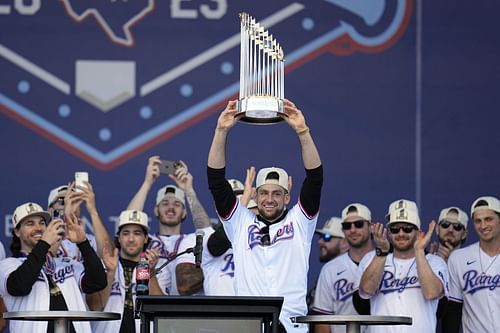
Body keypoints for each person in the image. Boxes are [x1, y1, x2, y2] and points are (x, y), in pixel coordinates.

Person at [207, 99, 323, 333]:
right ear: (255, 196)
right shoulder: (240, 223)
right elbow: (216, 182)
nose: (270, 199)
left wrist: (302, 132)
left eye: (277, 194)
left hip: (291, 325)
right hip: (250, 323)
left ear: (287, 197)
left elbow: (315, 178)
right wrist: (221, 132)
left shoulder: (300, 222)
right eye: (264, 193)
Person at [0, 202, 106, 333]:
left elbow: (97, 282)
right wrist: (44, 243)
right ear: (17, 231)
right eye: (30, 224)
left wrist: (83, 243)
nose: (38, 228)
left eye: (42, 223)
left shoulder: (65, 262)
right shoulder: (9, 265)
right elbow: (20, 286)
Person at [358, 200, 448, 333]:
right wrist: (382, 252)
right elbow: (366, 292)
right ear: (389, 233)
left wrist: (419, 251)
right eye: (395, 229)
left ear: (418, 232)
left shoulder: (435, 261)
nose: (401, 234)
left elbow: (432, 293)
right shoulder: (372, 259)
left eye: (407, 228)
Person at [128, 157, 209, 295]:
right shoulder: (146, 241)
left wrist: (188, 190)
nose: (171, 208)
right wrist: (148, 183)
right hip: (151, 310)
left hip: (188, 313)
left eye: (177, 204)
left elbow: (208, 232)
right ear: (155, 210)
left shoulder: (192, 240)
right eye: (165, 203)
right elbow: (129, 221)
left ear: (184, 213)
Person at [87, 210, 165, 333]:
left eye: (137, 233)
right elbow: (95, 306)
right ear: (119, 238)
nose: (131, 239)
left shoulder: (158, 268)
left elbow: (161, 309)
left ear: (145, 239)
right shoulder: (103, 265)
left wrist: (151, 272)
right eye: (126, 233)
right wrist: (110, 273)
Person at [312, 203, 373, 333]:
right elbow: (322, 319)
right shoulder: (330, 269)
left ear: (371, 227)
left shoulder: (386, 262)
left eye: (359, 224)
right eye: (347, 226)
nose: (353, 230)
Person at [444, 196, 500, 333]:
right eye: (478, 221)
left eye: (488, 219)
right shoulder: (458, 258)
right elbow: (454, 309)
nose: (483, 226)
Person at [47, 181, 111, 260]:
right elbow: (45, 260)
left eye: (74, 201)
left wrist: (93, 211)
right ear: (50, 211)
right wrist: (63, 216)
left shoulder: (90, 240)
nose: (68, 205)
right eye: (63, 202)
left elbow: (109, 256)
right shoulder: (43, 240)